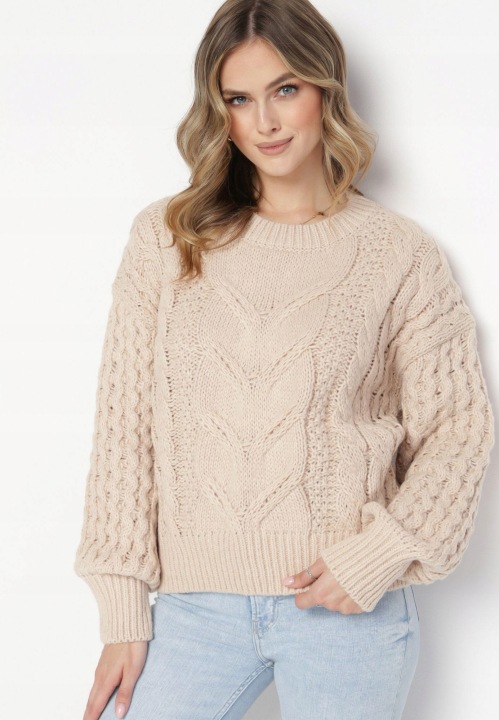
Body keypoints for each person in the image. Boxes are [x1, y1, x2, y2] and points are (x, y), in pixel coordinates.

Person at [74, 1, 495, 719]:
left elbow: (458, 429)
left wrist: (378, 554)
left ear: (326, 88)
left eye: (285, 90)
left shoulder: (399, 254)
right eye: (238, 100)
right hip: (194, 611)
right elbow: (125, 429)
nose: (264, 122)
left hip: (346, 610)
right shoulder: (167, 241)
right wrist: (122, 611)